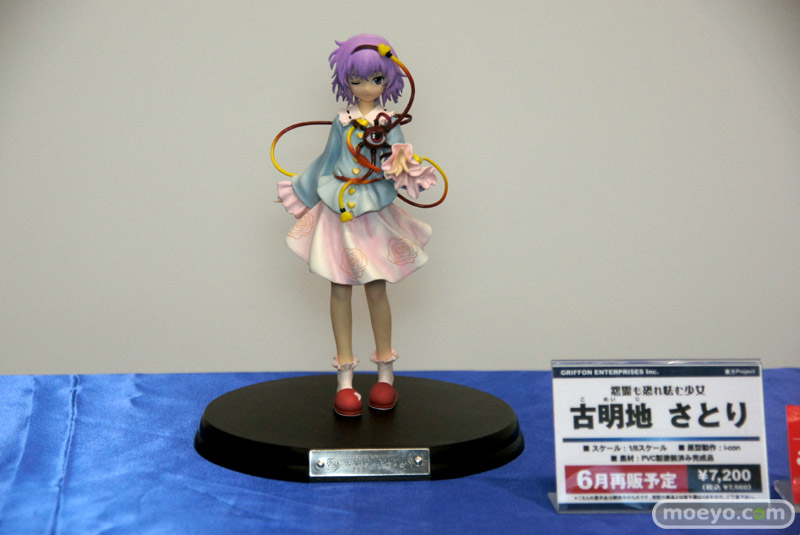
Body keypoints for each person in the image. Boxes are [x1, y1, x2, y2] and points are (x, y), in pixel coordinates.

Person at [276, 34, 437, 417]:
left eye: (376, 79)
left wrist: (405, 169)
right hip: (340, 209)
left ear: (389, 80)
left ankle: (385, 374)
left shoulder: (389, 124)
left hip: (373, 210)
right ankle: (345, 379)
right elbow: (327, 159)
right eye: (357, 80)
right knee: (339, 288)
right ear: (346, 82)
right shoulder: (341, 122)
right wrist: (300, 190)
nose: (366, 88)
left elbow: (400, 162)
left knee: (377, 287)